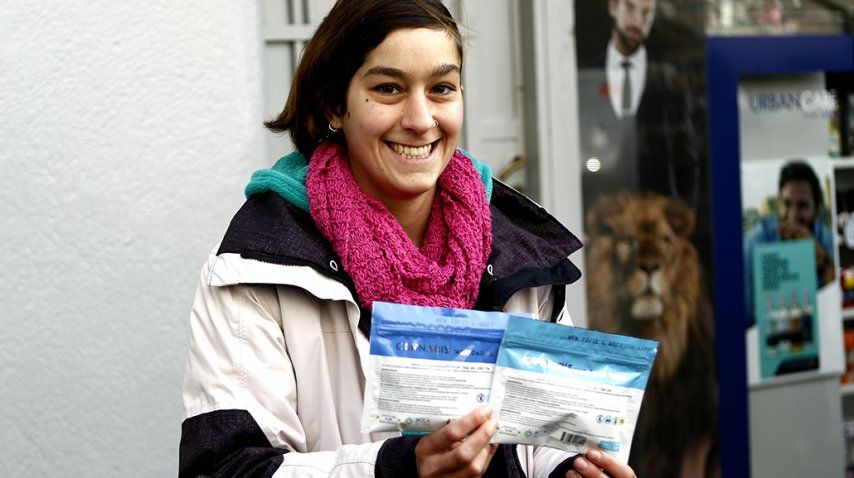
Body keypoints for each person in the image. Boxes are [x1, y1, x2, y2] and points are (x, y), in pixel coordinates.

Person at [179, 1, 638, 477]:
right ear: (335, 104)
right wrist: (398, 470)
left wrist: (570, 468)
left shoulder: (520, 251)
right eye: (389, 88)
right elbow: (224, 467)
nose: (420, 119)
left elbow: (545, 433)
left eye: (441, 88)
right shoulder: (257, 264)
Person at [576, 0, 700, 212]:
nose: (637, 21)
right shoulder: (584, 76)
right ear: (613, 7)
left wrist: (684, 217)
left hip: (656, 213)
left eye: (646, 13)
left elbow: (686, 158)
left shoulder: (667, 80)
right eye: (631, 8)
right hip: (597, 211)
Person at [744, 160, 835, 326]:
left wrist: (823, 261)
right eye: (786, 204)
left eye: (802, 206)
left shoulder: (826, 240)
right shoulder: (757, 241)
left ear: (816, 210)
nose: (793, 216)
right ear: (778, 203)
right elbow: (746, 316)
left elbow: (836, 310)